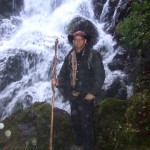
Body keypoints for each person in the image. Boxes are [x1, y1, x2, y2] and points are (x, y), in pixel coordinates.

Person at [52, 30, 105, 150]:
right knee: (75, 121)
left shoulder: (93, 54)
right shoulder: (70, 56)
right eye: (75, 39)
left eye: (80, 39)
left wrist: (93, 93)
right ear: (73, 41)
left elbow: (100, 75)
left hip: (86, 96)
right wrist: (57, 82)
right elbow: (63, 74)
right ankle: (78, 145)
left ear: (85, 41)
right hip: (73, 95)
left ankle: (89, 147)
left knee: (87, 124)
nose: (78, 41)